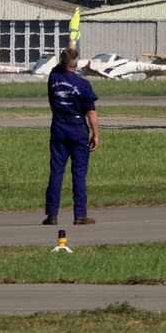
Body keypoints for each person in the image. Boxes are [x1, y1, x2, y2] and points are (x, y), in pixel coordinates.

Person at [44, 46, 98, 226]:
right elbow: (91, 112)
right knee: (79, 172)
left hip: (59, 125)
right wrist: (96, 134)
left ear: (61, 62)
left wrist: (67, 53)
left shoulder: (53, 77)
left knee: (57, 171)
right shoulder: (83, 84)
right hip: (77, 126)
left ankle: (52, 214)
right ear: (76, 64)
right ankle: (80, 214)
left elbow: (57, 68)